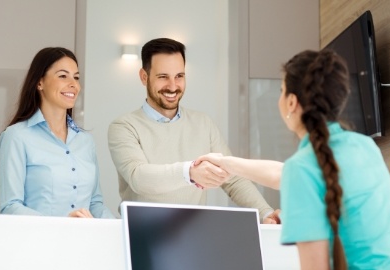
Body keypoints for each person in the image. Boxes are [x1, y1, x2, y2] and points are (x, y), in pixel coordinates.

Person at [196, 49, 390, 270]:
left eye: (282, 90)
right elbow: (284, 173)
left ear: (292, 103)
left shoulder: (305, 167)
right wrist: (227, 162)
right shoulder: (364, 147)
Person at [108, 38, 280, 223]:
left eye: (179, 76)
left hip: (192, 234)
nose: (173, 86)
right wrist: (189, 172)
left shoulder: (203, 124)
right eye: (163, 77)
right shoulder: (124, 126)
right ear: (144, 77)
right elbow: (139, 177)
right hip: (141, 234)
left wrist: (265, 213)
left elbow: (233, 179)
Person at [0, 47, 114, 218]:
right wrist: (61, 224)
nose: (73, 84)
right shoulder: (16, 136)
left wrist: (118, 227)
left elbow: (95, 203)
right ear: (39, 82)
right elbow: (10, 206)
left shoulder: (86, 141)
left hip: (83, 241)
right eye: (63, 76)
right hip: (39, 241)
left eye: (76, 77)